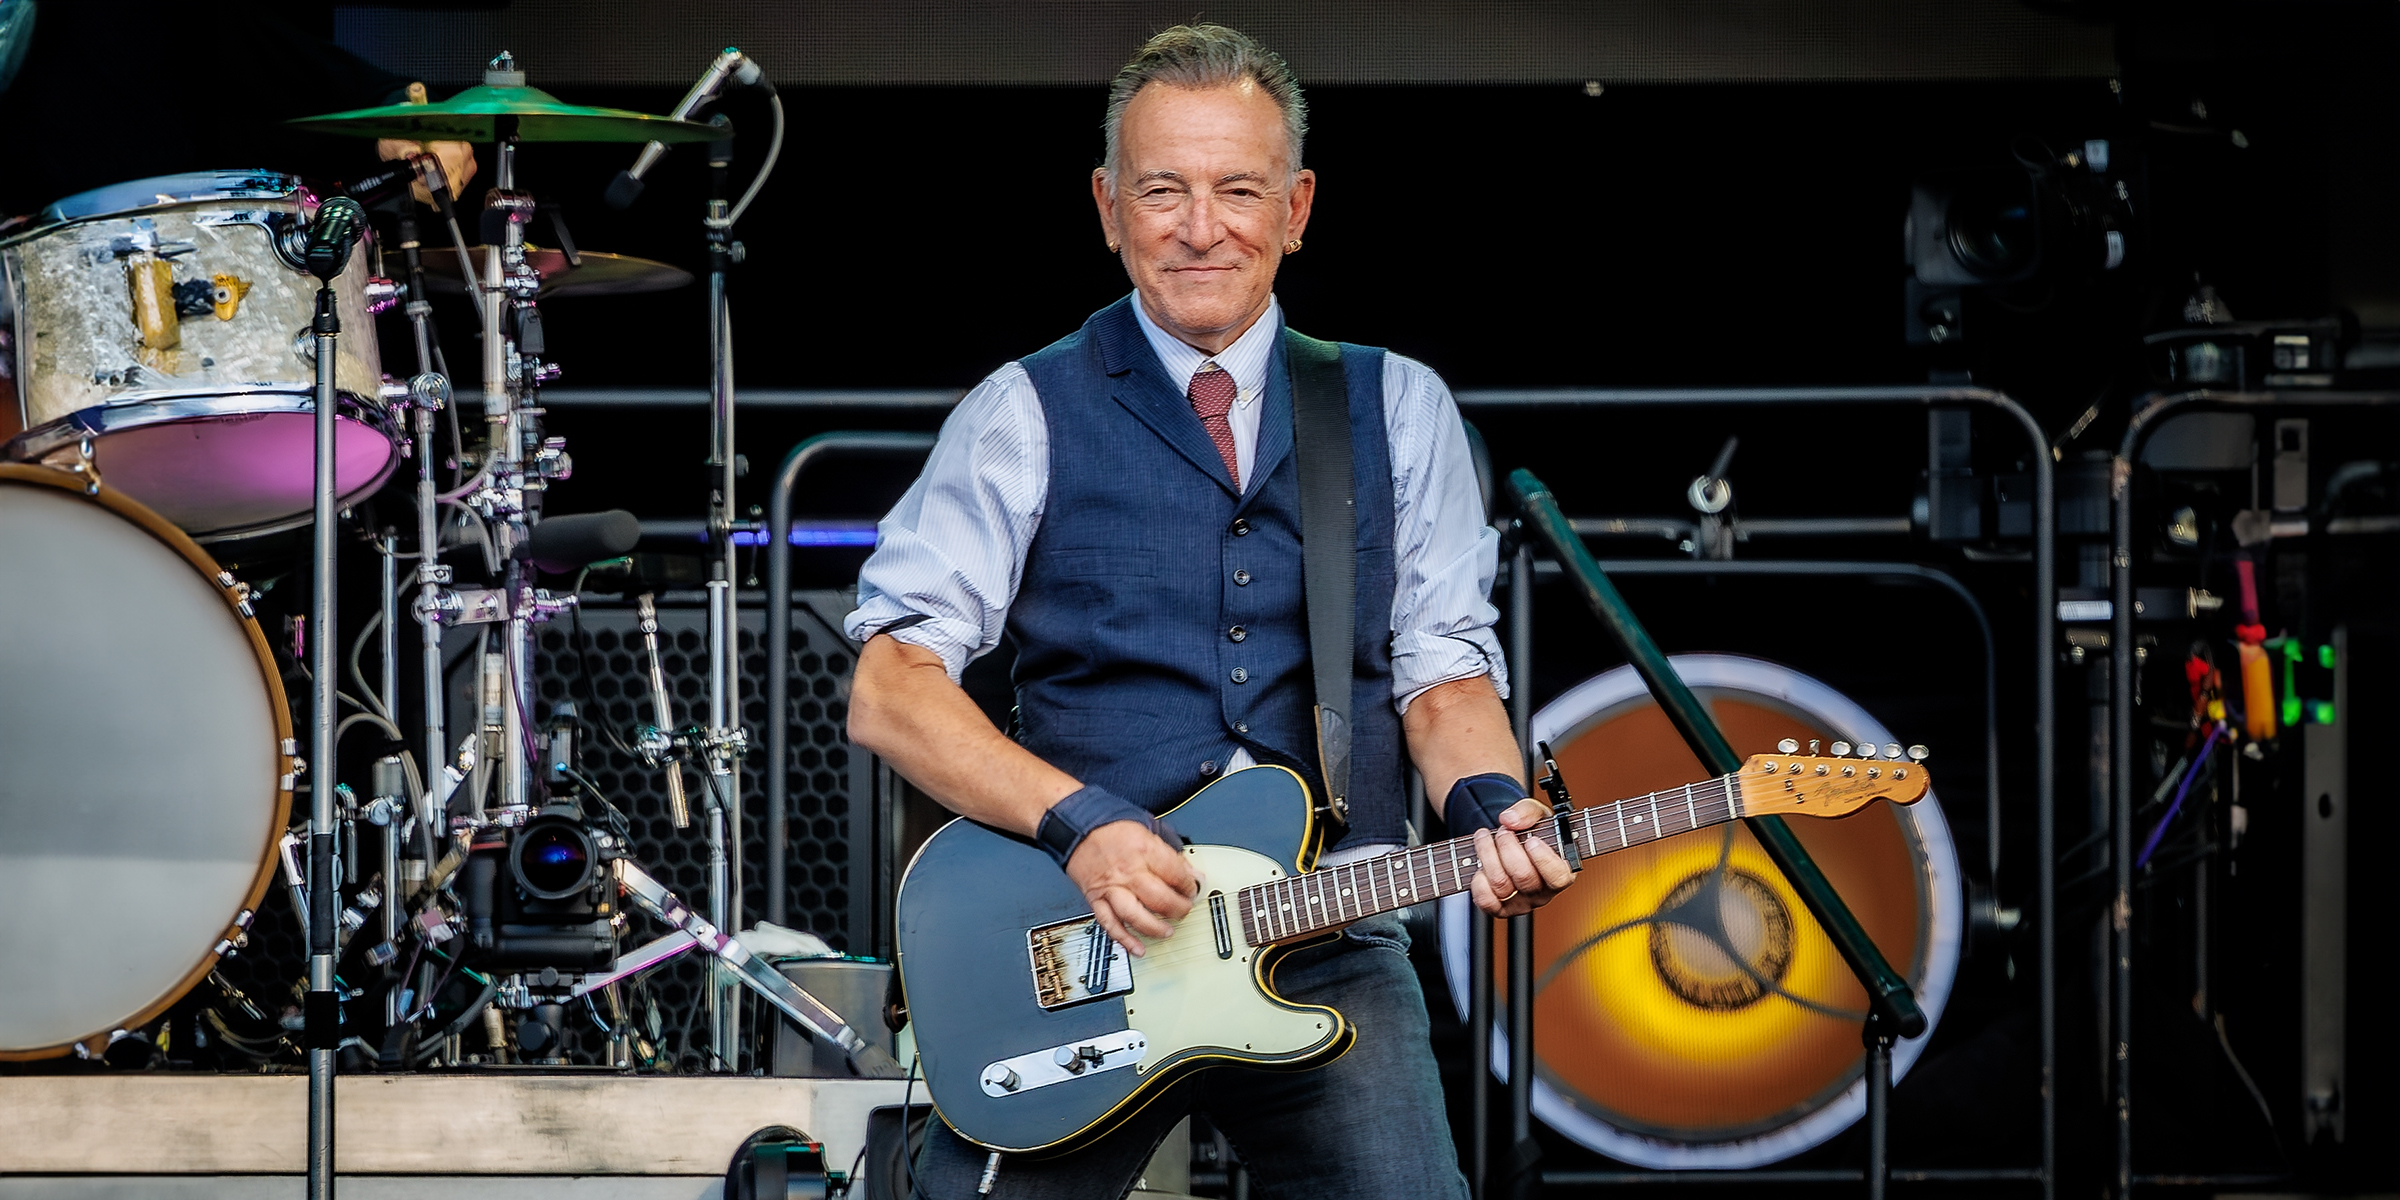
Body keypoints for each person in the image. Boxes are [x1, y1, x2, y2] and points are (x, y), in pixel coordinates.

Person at [845, 24, 1574, 1198]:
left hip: (1327, 931)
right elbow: (891, 689)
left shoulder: (1396, 406)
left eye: (1239, 190)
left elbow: (1441, 673)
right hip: (1083, 934)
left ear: (1297, 206)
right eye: (1162, 191)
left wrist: (1490, 804)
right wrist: (1078, 821)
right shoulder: (1021, 408)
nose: (1201, 228)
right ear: (1106, 206)